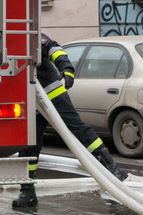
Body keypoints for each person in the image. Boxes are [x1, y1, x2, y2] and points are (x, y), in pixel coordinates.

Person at [13, 33, 128, 208]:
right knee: (29, 147)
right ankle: (28, 191)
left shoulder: (31, 33)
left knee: (77, 128)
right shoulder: (4, 39)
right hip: (30, 103)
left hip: (52, 94)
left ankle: (111, 168)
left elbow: (55, 50)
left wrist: (67, 70)